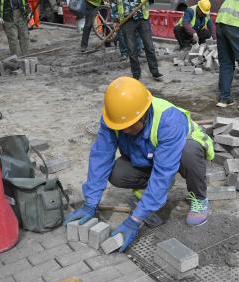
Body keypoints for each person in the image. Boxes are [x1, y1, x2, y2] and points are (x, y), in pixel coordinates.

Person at [63, 76, 214, 252]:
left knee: (189, 152)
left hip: (181, 154)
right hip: (148, 154)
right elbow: (100, 156)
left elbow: (164, 171)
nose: (124, 130)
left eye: (129, 126)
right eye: (121, 127)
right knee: (117, 173)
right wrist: (91, 202)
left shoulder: (169, 120)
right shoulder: (115, 119)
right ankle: (148, 193)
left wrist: (135, 221)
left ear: (143, 114)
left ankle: (199, 199)